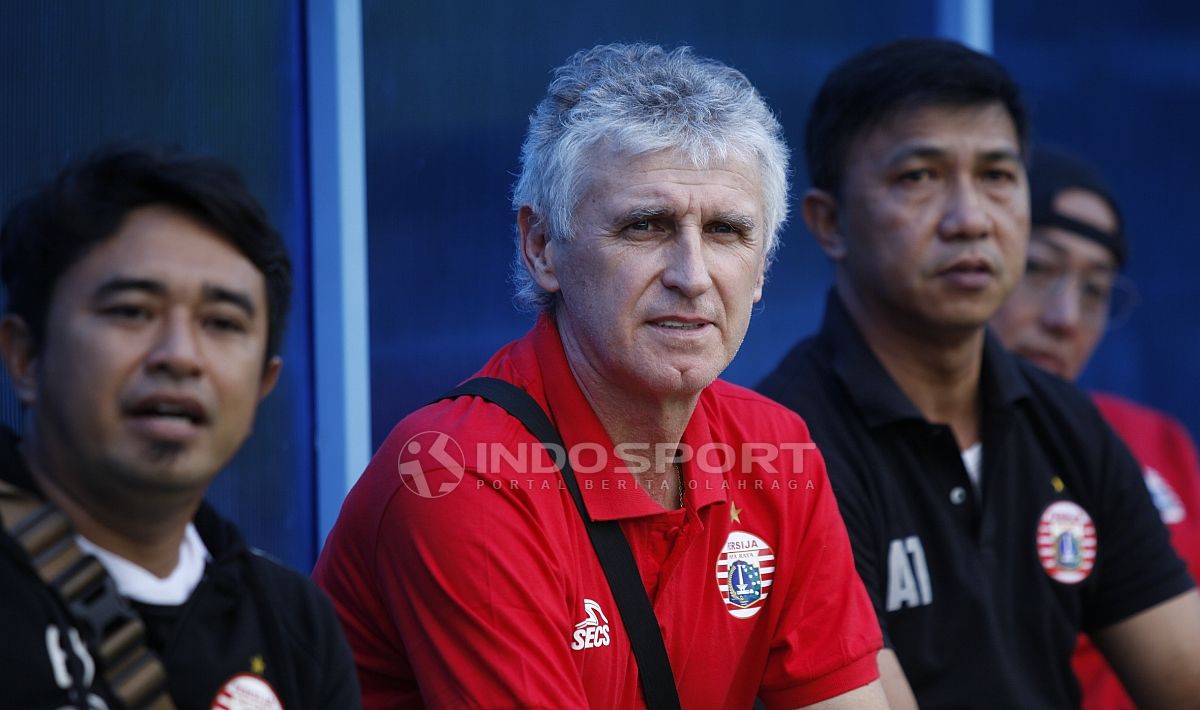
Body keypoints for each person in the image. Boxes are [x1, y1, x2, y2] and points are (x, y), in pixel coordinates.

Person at [314, 43, 886, 709]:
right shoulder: (457, 475)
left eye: (728, 231)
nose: (692, 276)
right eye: (645, 225)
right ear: (541, 247)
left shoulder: (774, 446)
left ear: (762, 270)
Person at [756, 38, 1200, 709]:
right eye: (918, 177)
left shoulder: (1066, 421)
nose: (970, 220)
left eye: (997, 175)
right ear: (828, 223)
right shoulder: (788, 449)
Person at [0, 147, 360, 709]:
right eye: (132, 311)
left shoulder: (293, 624)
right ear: (25, 357)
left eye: (221, 323)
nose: (180, 356)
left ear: (263, 385)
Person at [991, 146, 1200, 709]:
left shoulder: (1158, 443)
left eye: (1094, 290)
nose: (1064, 318)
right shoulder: (910, 449)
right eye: (1038, 269)